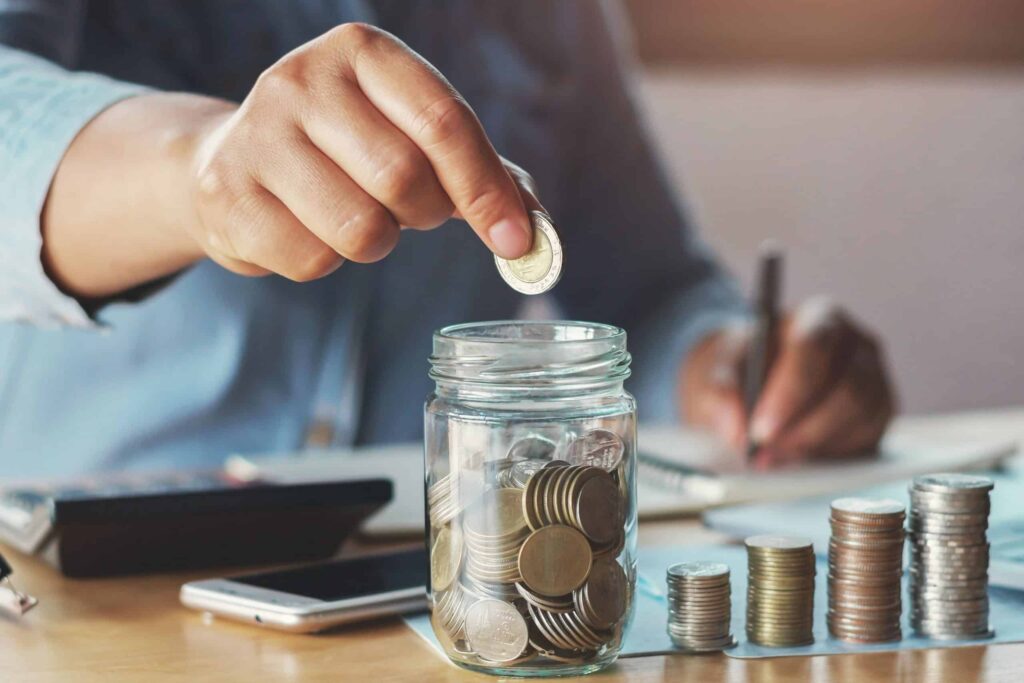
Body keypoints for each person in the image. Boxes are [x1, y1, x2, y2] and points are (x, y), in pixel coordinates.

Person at [0, 1, 894, 478]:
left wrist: (727, 365)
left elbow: (646, 294)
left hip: (425, 584)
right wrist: (199, 167)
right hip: (99, 581)